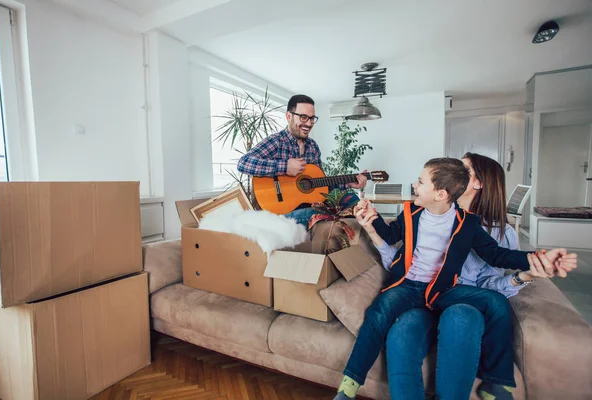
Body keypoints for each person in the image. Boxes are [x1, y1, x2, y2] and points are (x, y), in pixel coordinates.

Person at [333, 157, 577, 400]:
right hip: (408, 287)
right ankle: (350, 383)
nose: (414, 186)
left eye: (420, 181)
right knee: (379, 313)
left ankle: (497, 383)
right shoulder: (411, 213)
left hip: (443, 290)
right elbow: (390, 236)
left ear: (441, 193)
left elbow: (497, 255)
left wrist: (538, 259)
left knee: (496, 303)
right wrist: (372, 220)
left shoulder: (468, 224)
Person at [237, 94, 366, 225]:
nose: (309, 123)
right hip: (279, 213)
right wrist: (285, 167)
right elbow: (243, 163)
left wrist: (347, 184)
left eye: (312, 118)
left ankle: (383, 240)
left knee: (354, 200)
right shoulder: (276, 142)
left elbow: (319, 186)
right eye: (304, 117)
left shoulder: (313, 147)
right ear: (289, 116)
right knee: (317, 214)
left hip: (305, 207)